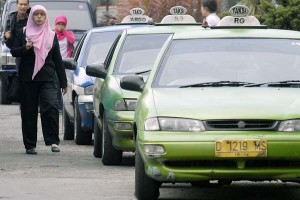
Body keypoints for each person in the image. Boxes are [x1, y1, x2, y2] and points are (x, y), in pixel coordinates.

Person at [10, 5, 68, 155]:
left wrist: (63, 82)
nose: (39, 17)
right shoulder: (23, 33)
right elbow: (14, 51)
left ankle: (53, 141)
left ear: (46, 17)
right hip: (28, 79)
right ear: (32, 17)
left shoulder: (51, 35)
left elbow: (57, 59)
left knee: (50, 106)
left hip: (47, 77)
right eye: (36, 14)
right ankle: (30, 145)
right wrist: (26, 47)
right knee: (29, 111)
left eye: (42, 14)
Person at [54, 15, 75, 111]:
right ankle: (58, 105)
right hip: (55, 62)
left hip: (66, 62)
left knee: (66, 84)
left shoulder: (68, 34)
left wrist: (65, 32)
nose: (60, 26)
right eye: (59, 24)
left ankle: (66, 105)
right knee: (57, 83)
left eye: (63, 24)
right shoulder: (52, 34)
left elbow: (72, 40)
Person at [4, 0, 30, 68]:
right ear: (17, 5)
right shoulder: (11, 19)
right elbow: (7, 39)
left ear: (28, 6)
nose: (23, 7)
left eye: (25, 4)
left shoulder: (33, 18)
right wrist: (7, 38)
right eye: (21, 4)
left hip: (31, 52)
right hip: (18, 52)